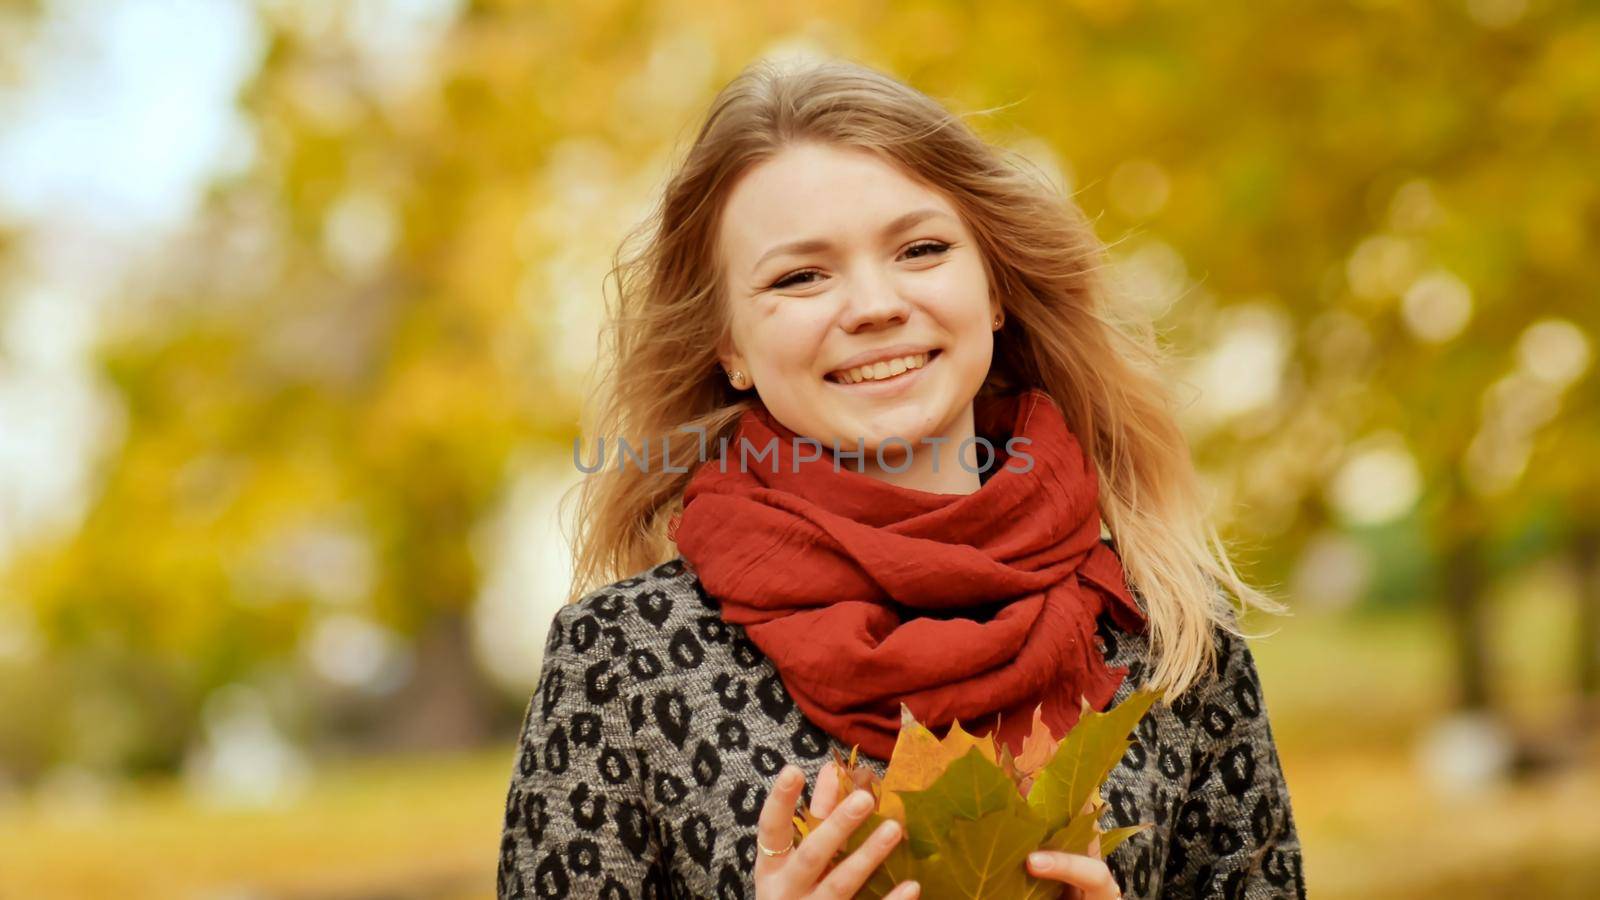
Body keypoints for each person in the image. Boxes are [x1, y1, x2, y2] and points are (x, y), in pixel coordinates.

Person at [497, 57, 1306, 900]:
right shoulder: (626, 659)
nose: (875, 304)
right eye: (800, 276)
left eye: (921, 249)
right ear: (728, 347)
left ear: (993, 289)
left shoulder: (1168, 635)